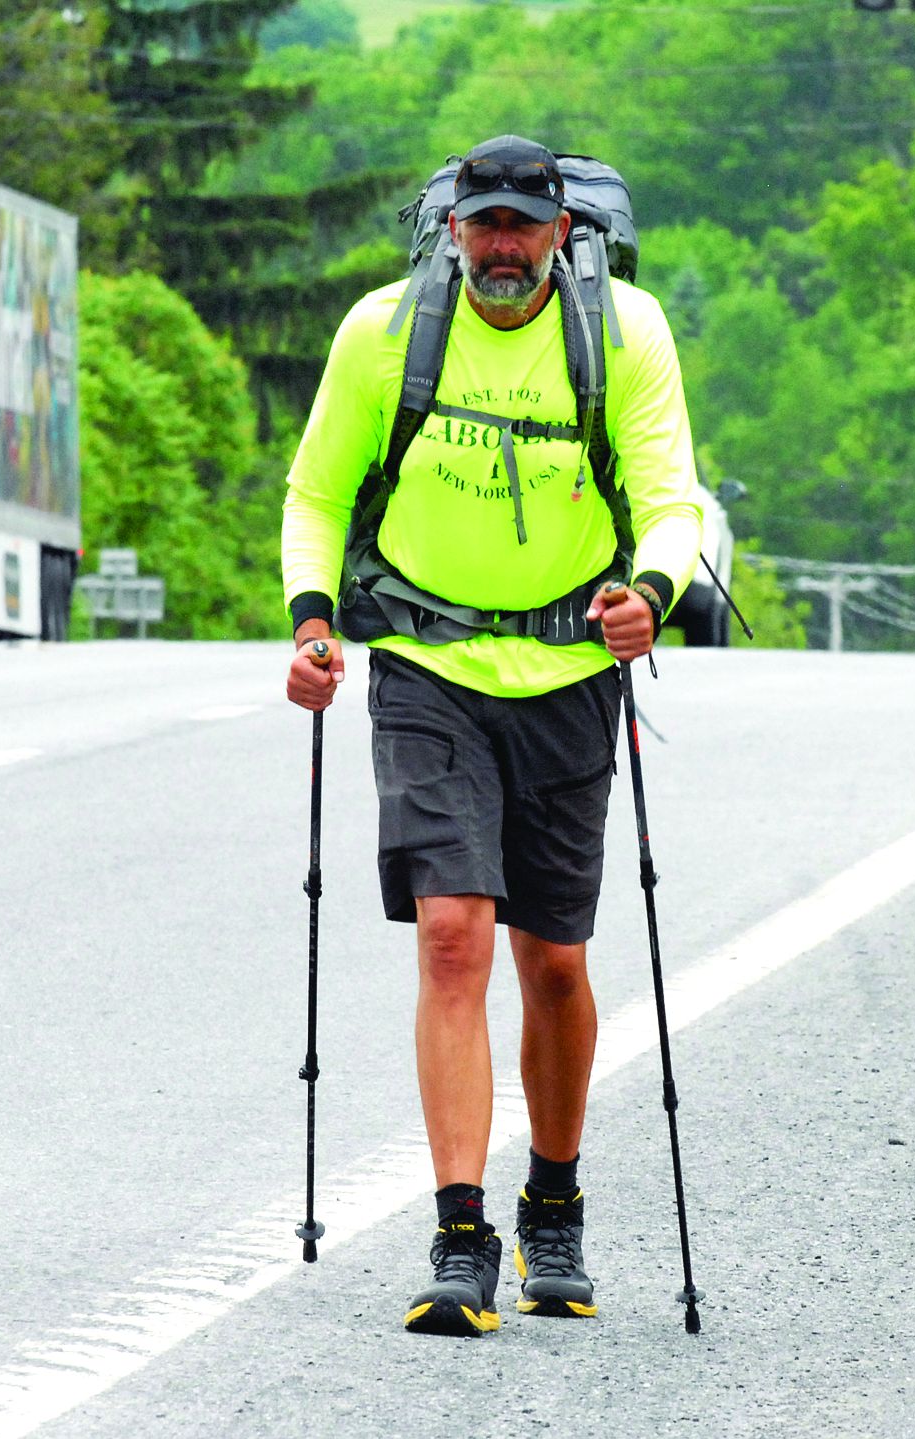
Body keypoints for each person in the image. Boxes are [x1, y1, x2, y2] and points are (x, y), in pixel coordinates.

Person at [280, 135, 703, 1337]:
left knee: (553, 962)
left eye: (526, 226)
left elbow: (671, 493)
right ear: (452, 231)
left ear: (561, 233)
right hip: (428, 663)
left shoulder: (624, 330)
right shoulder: (382, 332)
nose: (505, 248)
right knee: (455, 935)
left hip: (571, 666)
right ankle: (461, 1232)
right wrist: (316, 621)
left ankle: (552, 1203)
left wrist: (651, 593)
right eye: (486, 227)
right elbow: (316, 490)